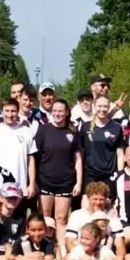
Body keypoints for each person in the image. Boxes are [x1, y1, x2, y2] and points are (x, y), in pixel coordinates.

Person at [35, 99, 82, 246]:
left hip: (66, 181)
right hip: (45, 180)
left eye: (61, 111)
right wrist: (34, 181)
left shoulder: (72, 131)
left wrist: (79, 183)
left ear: (67, 112)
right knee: (45, 218)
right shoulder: (43, 130)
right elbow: (35, 157)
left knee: (61, 219)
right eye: (55, 111)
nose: (57, 114)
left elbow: (78, 159)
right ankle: (45, 249)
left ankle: (61, 250)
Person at [0, 99, 37, 201]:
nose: (10, 114)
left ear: (18, 112)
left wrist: (31, 184)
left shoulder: (26, 131)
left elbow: (30, 159)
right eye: (7, 111)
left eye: (13, 111)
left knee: (18, 216)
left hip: (19, 186)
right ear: (2, 112)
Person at [79, 95, 125, 189]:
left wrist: (120, 175)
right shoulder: (85, 127)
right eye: (99, 106)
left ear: (109, 107)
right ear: (94, 106)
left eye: (105, 106)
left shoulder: (116, 127)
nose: (102, 109)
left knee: (107, 203)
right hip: (90, 176)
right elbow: (81, 153)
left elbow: (120, 154)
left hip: (109, 176)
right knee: (88, 203)